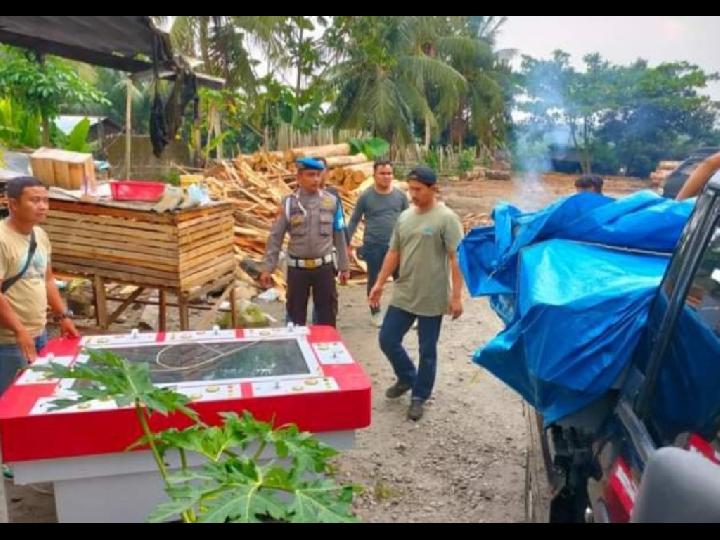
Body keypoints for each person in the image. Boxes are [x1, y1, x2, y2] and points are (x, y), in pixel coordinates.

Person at [368, 166, 464, 421]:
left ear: (433, 188)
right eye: (410, 189)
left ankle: (419, 396)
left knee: (427, 350)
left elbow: (457, 259)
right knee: (387, 339)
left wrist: (456, 297)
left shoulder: (446, 218)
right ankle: (407, 376)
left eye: (418, 190)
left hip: (432, 295)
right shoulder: (405, 217)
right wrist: (379, 283)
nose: (413, 194)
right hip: (404, 292)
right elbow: (393, 252)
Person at [0, 176, 80, 478]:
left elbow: (46, 279)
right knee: (9, 398)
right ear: (12, 203)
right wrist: (19, 331)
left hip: (39, 330)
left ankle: (37, 451)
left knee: (39, 393)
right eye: (35, 200)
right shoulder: (2, 240)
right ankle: (9, 458)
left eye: (45, 200)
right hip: (7, 338)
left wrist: (63, 316)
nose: (42, 206)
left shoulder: (40, 236)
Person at [261, 158, 350, 327]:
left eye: (318, 175)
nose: (315, 179)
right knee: (295, 318)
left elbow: (339, 234)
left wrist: (344, 266)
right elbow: (275, 236)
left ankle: (325, 350)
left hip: (324, 269)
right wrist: (267, 268)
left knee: (327, 318)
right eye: (310, 175)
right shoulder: (289, 204)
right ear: (299, 177)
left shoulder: (331, 202)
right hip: (297, 270)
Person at [347, 160, 408, 327]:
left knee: (403, 280)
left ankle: (405, 313)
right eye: (382, 173)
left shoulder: (400, 196)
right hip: (374, 245)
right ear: (374, 175)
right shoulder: (366, 197)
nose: (386, 177)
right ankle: (375, 312)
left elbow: (410, 220)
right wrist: (345, 242)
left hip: (398, 246)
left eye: (389, 173)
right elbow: (354, 220)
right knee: (375, 280)